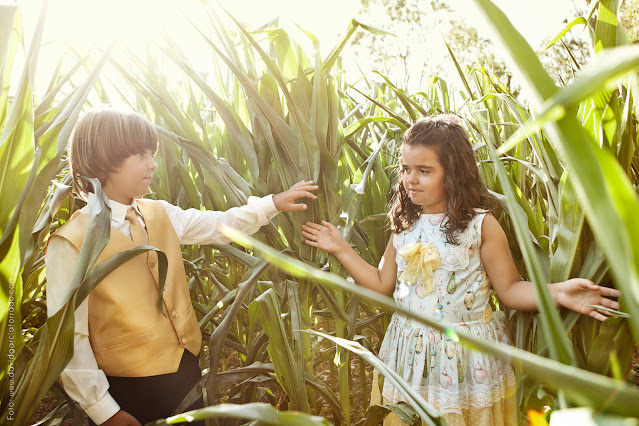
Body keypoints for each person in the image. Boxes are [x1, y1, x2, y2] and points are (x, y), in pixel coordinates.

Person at [301, 115, 620, 426]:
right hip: (409, 352)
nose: (410, 179)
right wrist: (341, 248)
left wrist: (560, 292)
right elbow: (382, 283)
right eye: (406, 169)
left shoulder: (480, 225)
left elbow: (509, 289)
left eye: (424, 171)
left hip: (465, 357)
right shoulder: (404, 225)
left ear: (453, 173)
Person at [45, 108, 318, 426]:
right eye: (141, 154)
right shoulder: (70, 243)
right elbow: (68, 341)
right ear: (104, 159)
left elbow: (218, 225)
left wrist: (272, 203)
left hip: (184, 372)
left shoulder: (159, 212)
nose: (152, 164)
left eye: (152, 153)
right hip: (123, 390)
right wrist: (106, 412)